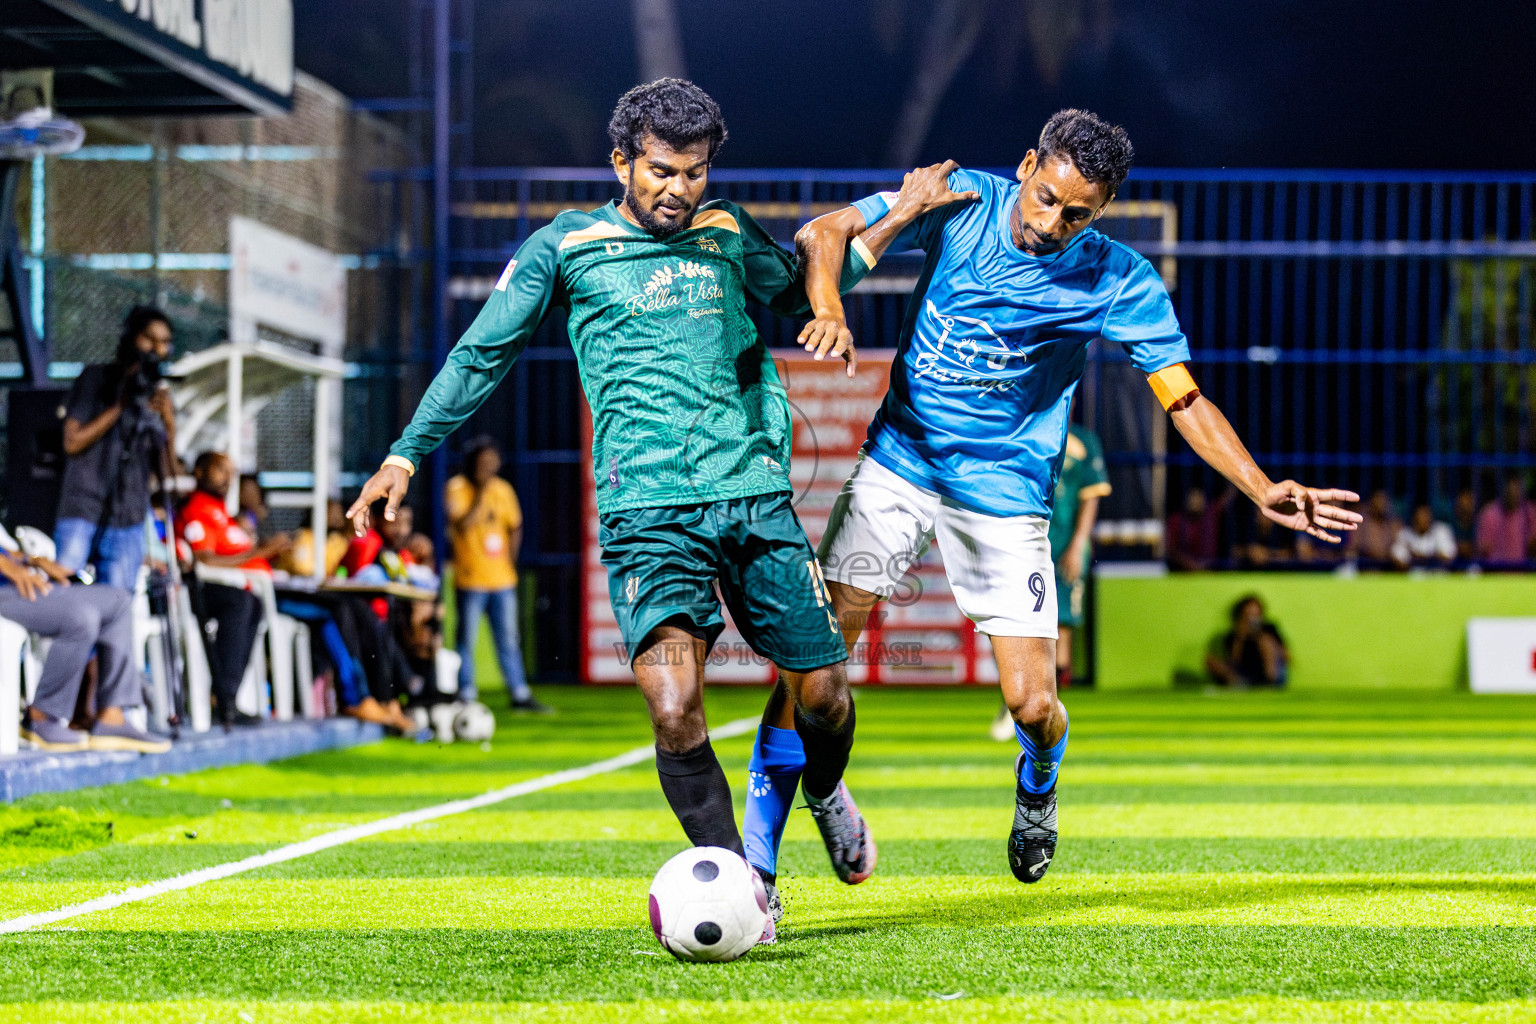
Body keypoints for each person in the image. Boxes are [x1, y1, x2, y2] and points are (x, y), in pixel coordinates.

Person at [762, 109, 1359, 891]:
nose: (1053, 223)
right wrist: (832, 308)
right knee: (812, 661)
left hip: (1005, 492)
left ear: (1103, 210)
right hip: (901, 460)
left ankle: (1038, 782)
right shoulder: (960, 200)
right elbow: (825, 231)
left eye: (1078, 213)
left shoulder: (1118, 277)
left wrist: (1259, 485)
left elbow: (1182, 400)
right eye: (1046, 197)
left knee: (1033, 704)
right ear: (1025, 166)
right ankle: (763, 859)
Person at [346, 78, 885, 937]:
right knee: (674, 711)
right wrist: (404, 452)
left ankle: (823, 789)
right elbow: (482, 354)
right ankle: (747, 891)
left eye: (695, 172)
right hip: (647, 511)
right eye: (663, 171)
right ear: (622, 161)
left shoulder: (724, 228)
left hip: (750, 495)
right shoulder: (567, 247)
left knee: (821, 695)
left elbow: (794, 289)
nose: (679, 189)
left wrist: (889, 216)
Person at [1, 524, 169, 753]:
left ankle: (111, 715)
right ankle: (40, 716)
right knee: (81, 617)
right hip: (6, 590)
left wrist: (34, 560)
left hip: (24, 583)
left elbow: (10, 550)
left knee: (118, 600)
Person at [990, 419, 1107, 739]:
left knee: (1061, 632)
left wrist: (1080, 543)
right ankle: (1014, 702)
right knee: (1012, 623)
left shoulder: (1084, 440)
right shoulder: (1021, 428)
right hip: (1023, 542)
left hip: (1065, 546)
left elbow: (1090, 497)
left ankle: (1045, 713)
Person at [54, 305, 178, 589]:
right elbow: (72, 443)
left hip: (129, 520)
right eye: (149, 338)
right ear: (131, 337)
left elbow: (169, 474)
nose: (156, 348)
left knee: (118, 609)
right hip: (83, 510)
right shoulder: (96, 378)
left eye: (164, 342)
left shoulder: (159, 394)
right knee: (66, 597)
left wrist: (169, 425)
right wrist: (120, 405)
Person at [177, 452, 287, 730]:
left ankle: (228, 696)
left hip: (242, 587)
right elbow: (204, 559)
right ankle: (223, 700)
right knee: (240, 603)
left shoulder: (222, 512)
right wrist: (261, 551)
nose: (227, 477)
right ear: (199, 473)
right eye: (219, 470)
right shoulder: (197, 508)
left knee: (251, 603)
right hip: (196, 589)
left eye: (230, 471)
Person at [444, 438, 546, 711]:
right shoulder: (457, 488)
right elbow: (462, 525)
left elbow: (515, 526)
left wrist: (510, 562)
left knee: (509, 639)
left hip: (502, 579)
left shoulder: (503, 490)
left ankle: (519, 693)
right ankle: (465, 692)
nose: (488, 467)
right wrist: (479, 492)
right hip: (470, 578)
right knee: (466, 639)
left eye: (492, 461)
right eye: (482, 462)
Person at [1205, 594, 1289, 687]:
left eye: (1256, 614)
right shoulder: (1234, 633)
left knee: (1266, 641)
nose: (1252, 618)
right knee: (1210, 660)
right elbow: (1234, 660)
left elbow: (1287, 656)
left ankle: (1270, 683)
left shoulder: (1269, 629)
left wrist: (1264, 640)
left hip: (1268, 672)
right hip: (1244, 674)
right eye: (1248, 614)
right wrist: (1241, 638)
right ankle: (1239, 684)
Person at [1165, 486, 1234, 571]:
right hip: (1182, 567)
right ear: (1186, 501)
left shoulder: (1210, 515)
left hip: (1210, 565)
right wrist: (1190, 564)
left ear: (1204, 501)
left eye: (1199, 498)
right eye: (1193, 498)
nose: (1195, 502)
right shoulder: (1176, 520)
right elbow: (1171, 550)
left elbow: (1227, 497)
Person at [1476, 477, 1536, 565]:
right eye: (1509, 489)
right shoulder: (1489, 513)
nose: (1512, 493)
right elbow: (1483, 549)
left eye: (1516, 488)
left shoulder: (1531, 511)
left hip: (1526, 571)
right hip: (1495, 571)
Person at [1391, 502, 1455, 569]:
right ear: (1414, 518)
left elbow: (1449, 556)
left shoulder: (1440, 531)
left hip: (1437, 574)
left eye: (1425, 515)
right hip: (1412, 574)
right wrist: (1411, 556)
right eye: (1420, 515)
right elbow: (1397, 558)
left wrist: (1426, 556)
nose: (1423, 519)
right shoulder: (1405, 534)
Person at [1351, 489, 1401, 566]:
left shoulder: (1393, 523)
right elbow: (1354, 546)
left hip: (1389, 566)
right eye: (1378, 500)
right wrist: (1372, 553)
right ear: (1371, 501)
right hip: (1365, 565)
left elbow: (1398, 545)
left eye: (1383, 500)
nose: (1381, 503)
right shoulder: (1361, 521)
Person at [1451, 488, 1478, 562]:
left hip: (1474, 564)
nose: (1465, 506)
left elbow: (1481, 548)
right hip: (1451, 565)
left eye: (1469, 502)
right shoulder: (1450, 525)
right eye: (1462, 503)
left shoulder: (1477, 524)